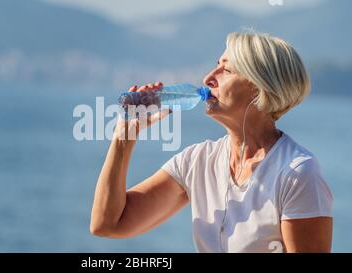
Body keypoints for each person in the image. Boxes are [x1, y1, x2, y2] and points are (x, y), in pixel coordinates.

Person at [90, 31, 333, 253]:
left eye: (226, 70)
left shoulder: (297, 174)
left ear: (259, 89)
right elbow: (108, 224)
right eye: (216, 66)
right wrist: (124, 137)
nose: (208, 78)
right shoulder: (197, 161)